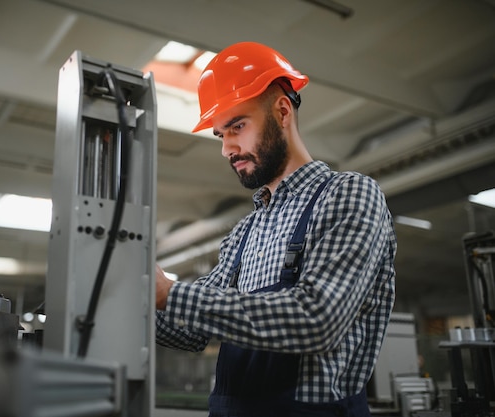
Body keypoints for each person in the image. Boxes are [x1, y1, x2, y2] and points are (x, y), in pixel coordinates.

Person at [155, 41, 397, 417]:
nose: (227, 149)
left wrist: (170, 293)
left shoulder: (348, 194)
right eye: (221, 134)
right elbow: (191, 330)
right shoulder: (245, 232)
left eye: (237, 126)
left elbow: (317, 319)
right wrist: (134, 299)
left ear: (282, 111)